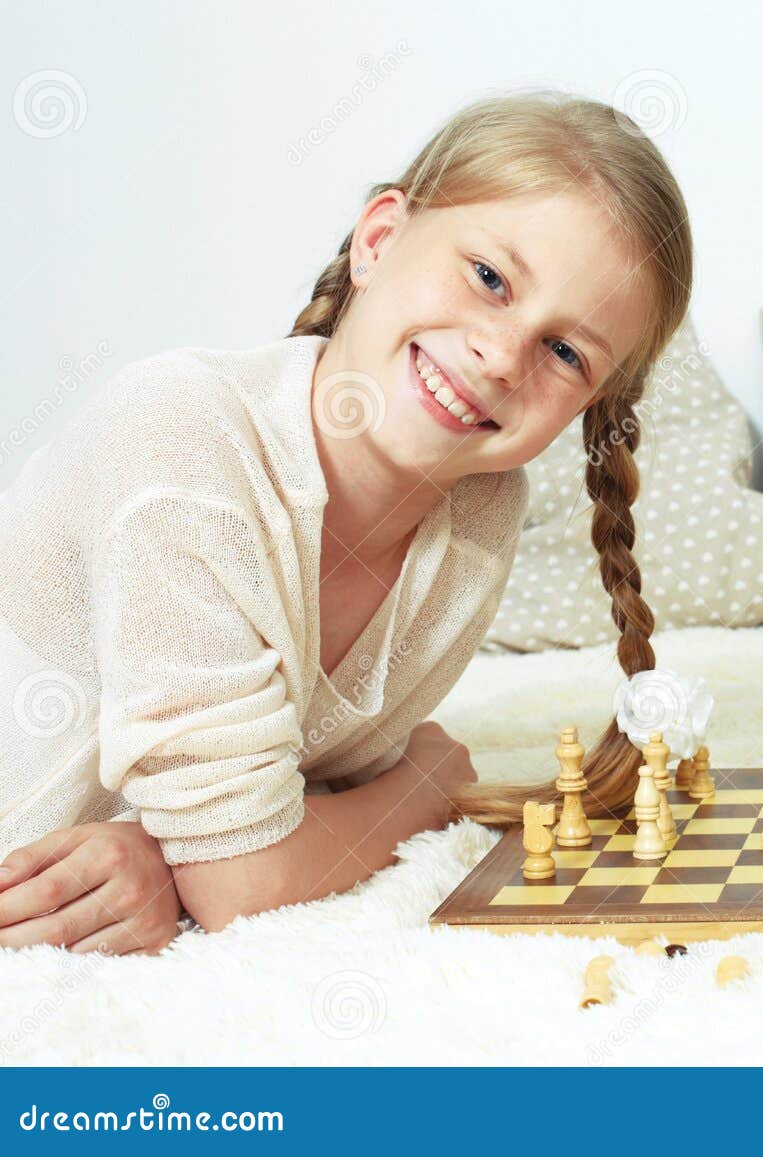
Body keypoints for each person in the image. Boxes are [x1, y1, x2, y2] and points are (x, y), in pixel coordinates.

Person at [0, 90, 692, 954]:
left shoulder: (481, 510)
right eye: (488, 278)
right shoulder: (181, 430)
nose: (501, 356)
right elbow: (243, 880)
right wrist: (426, 785)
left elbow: (284, 806)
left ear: (589, 403)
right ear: (379, 240)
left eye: (564, 352)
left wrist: (168, 854)